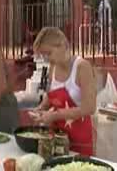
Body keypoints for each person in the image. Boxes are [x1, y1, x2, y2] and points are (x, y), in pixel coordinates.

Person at [31, 27, 96, 156]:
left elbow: (89, 108)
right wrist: (40, 108)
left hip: (79, 141)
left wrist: (55, 115)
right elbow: (51, 96)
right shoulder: (53, 67)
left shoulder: (82, 67)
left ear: (62, 45)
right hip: (57, 138)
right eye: (44, 55)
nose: (47, 58)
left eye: (49, 53)